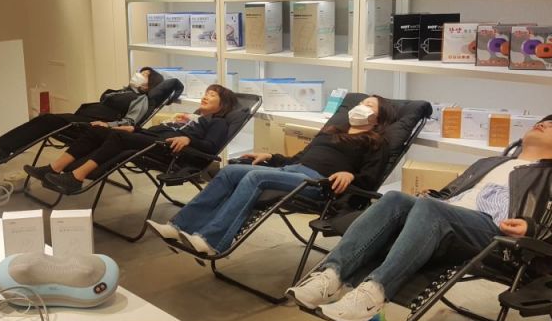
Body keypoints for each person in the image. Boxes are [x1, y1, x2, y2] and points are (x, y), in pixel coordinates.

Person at [288, 115, 552, 321]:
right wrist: (429, 197)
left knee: (431, 209)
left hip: (499, 238)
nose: (542, 123)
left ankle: (374, 294)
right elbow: (448, 195)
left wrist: (532, 228)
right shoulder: (488, 163)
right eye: (540, 121)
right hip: (448, 219)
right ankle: (330, 276)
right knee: (394, 199)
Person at [147, 95, 395, 256]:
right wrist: (270, 157)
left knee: (255, 178)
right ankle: (177, 226)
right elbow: (297, 159)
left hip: (318, 184)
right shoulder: (331, 132)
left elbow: (370, 180)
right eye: (362, 102)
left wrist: (349, 175)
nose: (361, 106)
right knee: (230, 170)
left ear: (378, 118)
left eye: (369, 105)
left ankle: (211, 241)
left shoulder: (375, 142)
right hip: (291, 172)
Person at [27, 85, 240, 194]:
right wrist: (134, 128)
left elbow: (210, 148)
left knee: (118, 137)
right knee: (99, 130)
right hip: (152, 139)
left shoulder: (218, 123)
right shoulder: (191, 117)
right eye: (206, 92)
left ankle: (76, 177)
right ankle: (54, 168)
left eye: (212, 95)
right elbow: (156, 130)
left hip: (168, 151)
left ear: (223, 105)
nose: (205, 96)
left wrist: (188, 140)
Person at [0, 67, 166, 162]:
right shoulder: (125, 92)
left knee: (48, 120)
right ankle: (0, 146)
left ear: (150, 84)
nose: (138, 75)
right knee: (46, 120)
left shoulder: (142, 99)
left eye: (145, 75)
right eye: (140, 72)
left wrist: (108, 125)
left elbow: (130, 122)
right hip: (85, 119)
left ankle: (1, 148)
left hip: (95, 127)